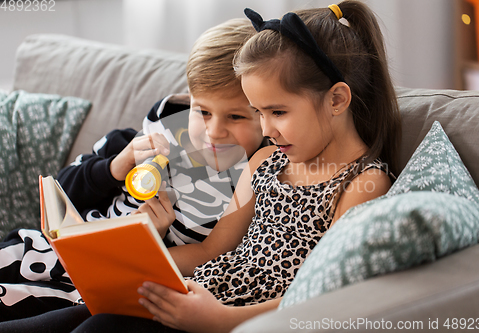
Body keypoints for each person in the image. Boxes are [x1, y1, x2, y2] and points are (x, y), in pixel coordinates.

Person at [66, 1, 402, 332]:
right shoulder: (267, 160)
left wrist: (219, 320)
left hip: (237, 317)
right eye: (258, 113)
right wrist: (130, 268)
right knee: (79, 316)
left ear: (337, 100)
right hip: (203, 290)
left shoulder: (362, 184)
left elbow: (325, 291)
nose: (267, 131)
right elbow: (211, 250)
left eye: (278, 112)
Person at [0, 17, 266, 325]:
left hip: (101, 287)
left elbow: (213, 258)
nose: (214, 131)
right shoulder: (145, 141)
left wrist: (148, 240)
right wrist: (113, 168)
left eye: (235, 116)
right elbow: (60, 192)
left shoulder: (255, 180)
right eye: (202, 111)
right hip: (44, 253)